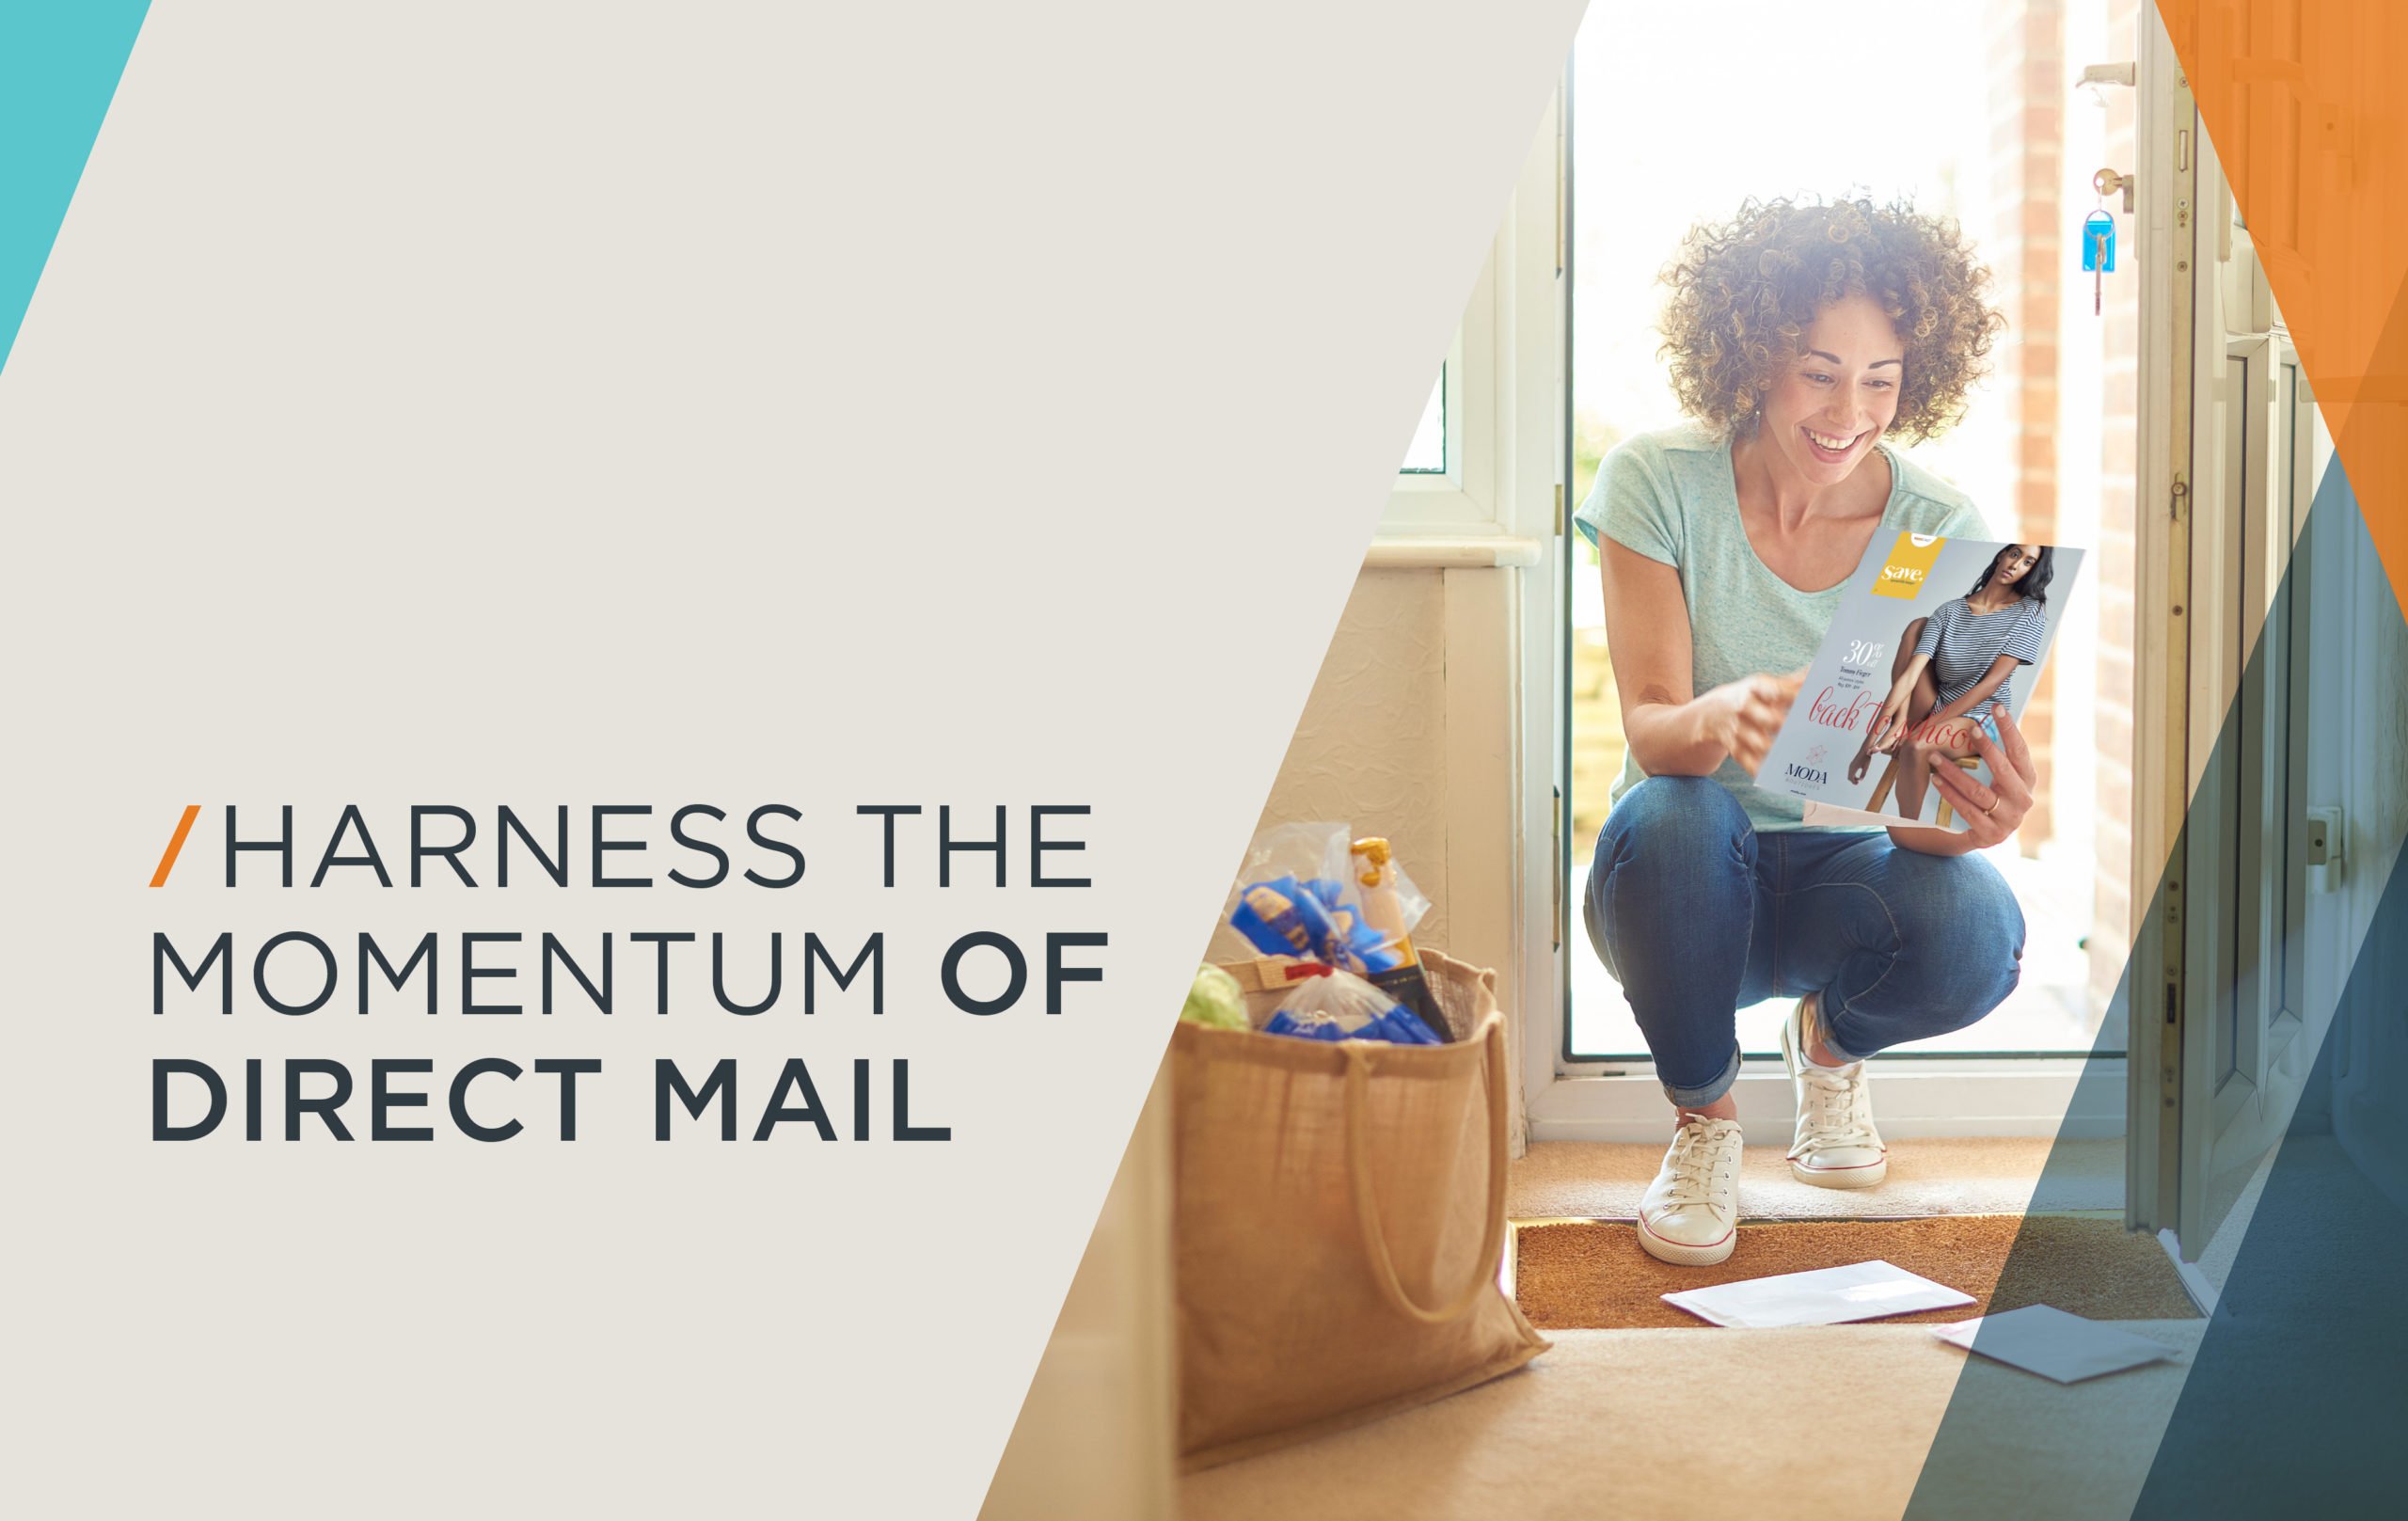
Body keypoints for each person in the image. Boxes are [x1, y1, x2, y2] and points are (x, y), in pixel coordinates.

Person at [1575, 197, 2034, 1267]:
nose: (1848, 411)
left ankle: (1827, 1052)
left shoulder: (1935, 531)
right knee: (1677, 811)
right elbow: (1651, 737)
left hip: (1845, 868)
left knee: (1979, 927)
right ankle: (1707, 1125)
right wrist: (1720, 715)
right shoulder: (1659, 483)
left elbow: (1916, 824)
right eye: (1818, 372)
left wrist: (1978, 819)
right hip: (1683, 889)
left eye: (1881, 379)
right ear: (1750, 357)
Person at [1851, 544, 2056, 819]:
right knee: (1917, 626)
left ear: (2033, 571)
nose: (2016, 564)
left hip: (1980, 718)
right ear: (2001, 555)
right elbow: (1910, 675)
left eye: (2028, 562)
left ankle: (1907, 828)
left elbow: (1991, 685)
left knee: (1916, 745)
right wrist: (1867, 745)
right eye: (2015, 554)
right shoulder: (1950, 611)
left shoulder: (2029, 612)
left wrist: (1921, 730)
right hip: (1936, 705)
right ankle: (1900, 724)